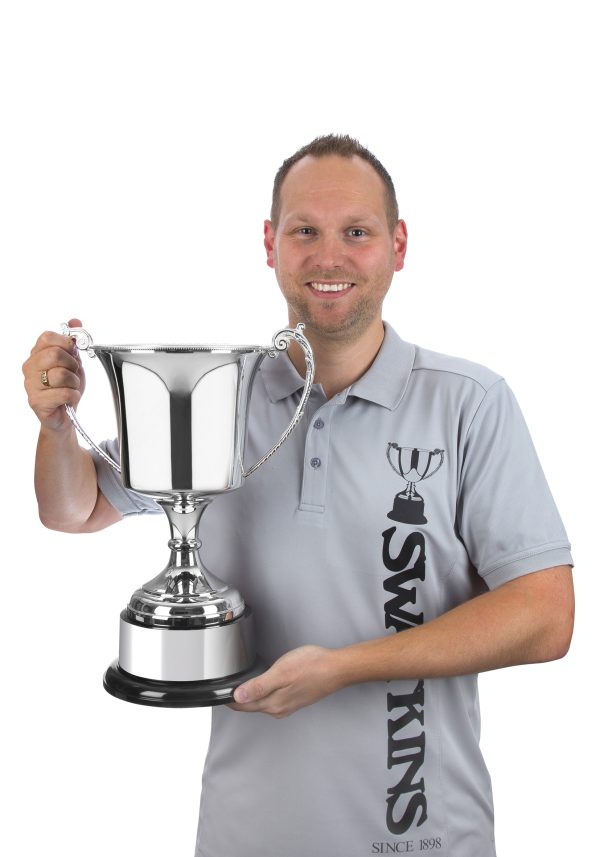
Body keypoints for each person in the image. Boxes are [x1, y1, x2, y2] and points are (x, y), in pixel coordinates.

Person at [23, 134, 574, 857]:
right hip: (243, 836)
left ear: (398, 245)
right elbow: (73, 508)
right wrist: (56, 422)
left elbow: (546, 615)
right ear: (270, 243)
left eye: (357, 231)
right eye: (304, 230)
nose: (329, 256)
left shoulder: (470, 403)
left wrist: (345, 666)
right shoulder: (226, 393)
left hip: (425, 838)